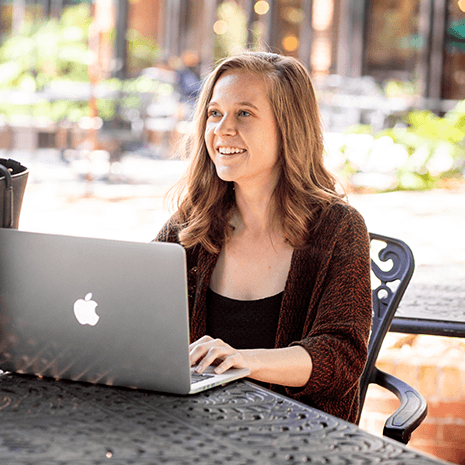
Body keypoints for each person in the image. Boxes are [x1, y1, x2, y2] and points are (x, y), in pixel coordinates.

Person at [155, 51, 372, 423]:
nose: (222, 129)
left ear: (289, 128)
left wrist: (244, 360)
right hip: (196, 429)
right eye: (214, 113)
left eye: (244, 113)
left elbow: (341, 358)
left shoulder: (339, 228)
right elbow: (137, 314)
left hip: (296, 437)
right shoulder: (192, 223)